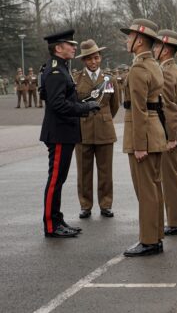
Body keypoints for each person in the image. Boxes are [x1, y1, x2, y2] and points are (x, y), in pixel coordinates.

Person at [39, 29, 100, 238]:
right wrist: (84, 108)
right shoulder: (56, 71)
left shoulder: (62, 68)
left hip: (64, 132)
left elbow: (66, 100)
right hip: (58, 133)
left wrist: (87, 103)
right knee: (55, 179)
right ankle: (50, 224)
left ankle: (57, 219)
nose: (74, 47)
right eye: (70, 44)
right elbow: (57, 105)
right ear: (58, 48)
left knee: (59, 179)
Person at [120, 19, 167, 256]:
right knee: (154, 188)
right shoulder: (154, 65)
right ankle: (155, 236)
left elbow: (138, 109)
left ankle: (149, 240)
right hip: (154, 131)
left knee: (146, 190)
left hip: (144, 135)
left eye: (129, 37)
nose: (127, 40)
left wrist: (139, 145)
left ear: (139, 41)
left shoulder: (139, 69)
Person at [74, 39, 119, 219]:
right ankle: (85, 205)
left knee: (105, 171)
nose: (93, 62)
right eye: (89, 59)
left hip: (104, 131)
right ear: (84, 61)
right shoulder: (76, 79)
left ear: (100, 58)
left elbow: (114, 105)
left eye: (96, 57)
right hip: (83, 131)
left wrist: (103, 118)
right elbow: (74, 104)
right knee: (84, 172)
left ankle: (106, 204)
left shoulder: (109, 79)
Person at [153, 29, 177, 236]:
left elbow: (169, 108)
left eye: (157, 46)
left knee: (173, 180)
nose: (155, 49)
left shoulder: (167, 72)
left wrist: (170, 137)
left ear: (165, 50)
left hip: (173, 133)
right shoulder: (175, 69)